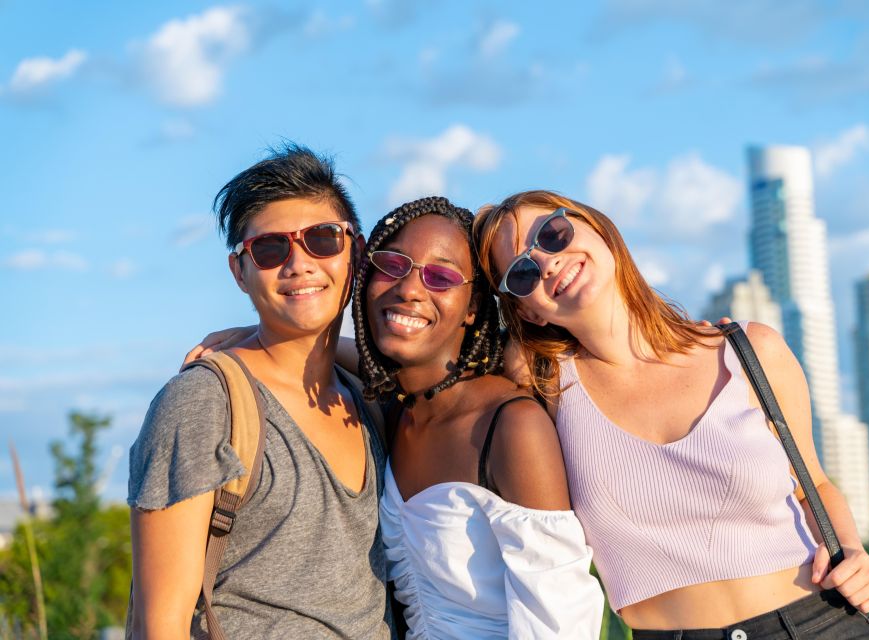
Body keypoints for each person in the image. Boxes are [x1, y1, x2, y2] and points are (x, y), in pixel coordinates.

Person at [472, 190, 869, 639]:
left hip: (819, 622)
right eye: (522, 272)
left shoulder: (750, 351)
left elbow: (815, 485)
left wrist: (853, 551)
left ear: (598, 228)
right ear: (526, 311)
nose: (548, 262)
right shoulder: (542, 391)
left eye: (552, 234)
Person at [127, 145, 392, 639]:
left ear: (355, 254)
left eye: (322, 239)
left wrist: (334, 348)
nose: (299, 263)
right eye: (270, 250)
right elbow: (159, 624)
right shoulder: (204, 403)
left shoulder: (370, 398)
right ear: (240, 273)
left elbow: (467, 369)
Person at [353, 196, 604, 639]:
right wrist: (263, 341)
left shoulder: (510, 426)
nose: (409, 289)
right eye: (392, 264)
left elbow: (561, 625)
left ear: (473, 307)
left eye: (442, 276)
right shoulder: (394, 412)